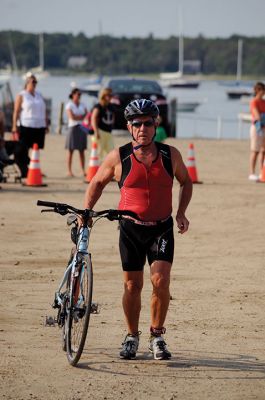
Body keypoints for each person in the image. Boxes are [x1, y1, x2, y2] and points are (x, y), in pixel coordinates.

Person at [83, 99, 192, 360]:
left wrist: (181, 212)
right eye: (137, 123)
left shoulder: (170, 155)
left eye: (148, 123)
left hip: (161, 228)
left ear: (155, 125)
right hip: (130, 229)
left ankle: (157, 336)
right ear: (129, 127)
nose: (143, 128)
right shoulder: (118, 157)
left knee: (161, 281)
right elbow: (97, 182)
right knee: (132, 285)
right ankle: (131, 335)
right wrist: (86, 211)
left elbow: (185, 182)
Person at [12, 72, 48, 156]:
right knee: (24, 147)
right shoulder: (22, 95)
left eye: (36, 82)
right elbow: (16, 111)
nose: (35, 84)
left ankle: (35, 166)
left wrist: (46, 124)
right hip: (26, 125)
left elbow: (44, 110)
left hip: (39, 125)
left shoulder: (39, 94)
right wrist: (14, 126)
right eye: (33, 82)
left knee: (37, 148)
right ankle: (25, 167)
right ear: (27, 82)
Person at [65, 88, 87, 177]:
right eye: (77, 94)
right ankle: (69, 170)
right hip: (73, 127)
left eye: (80, 94)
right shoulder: (69, 105)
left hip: (82, 127)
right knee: (71, 150)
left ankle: (83, 170)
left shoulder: (83, 104)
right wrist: (81, 117)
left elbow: (86, 115)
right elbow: (72, 117)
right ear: (73, 95)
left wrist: (79, 117)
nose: (79, 96)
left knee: (82, 150)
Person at [91, 87, 115, 161]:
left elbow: (113, 117)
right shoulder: (98, 106)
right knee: (99, 153)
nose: (110, 96)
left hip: (109, 132)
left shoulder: (111, 106)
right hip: (100, 131)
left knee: (111, 152)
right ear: (104, 95)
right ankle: (97, 169)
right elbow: (93, 118)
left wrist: (112, 126)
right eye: (109, 95)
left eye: (111, 95)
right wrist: (96, 131)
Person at [248, 81, 265, 181]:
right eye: (262, 90)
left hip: (264, 128)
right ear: (258, 90)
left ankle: (261, 172)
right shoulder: (254, 101)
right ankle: (252, 173)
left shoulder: (264, 102)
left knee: (264, 151)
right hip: (257, 128)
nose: (263, 93)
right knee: (255, 150)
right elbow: (256, 115)